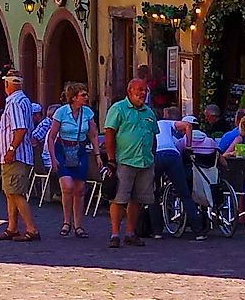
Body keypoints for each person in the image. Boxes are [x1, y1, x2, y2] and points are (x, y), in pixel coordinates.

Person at [101, 74, 159, 249]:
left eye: (145, 90)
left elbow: (153, 136)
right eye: (140, 90)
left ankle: (130, 232)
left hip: (145, 161)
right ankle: (114, 233)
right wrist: (111, 160)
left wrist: (152, 156)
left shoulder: (149, 112)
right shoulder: (118, 109)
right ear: (130, 91)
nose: (143, 93)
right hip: (124, 160)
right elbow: (109, 133)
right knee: (119, 198)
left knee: (138, 199)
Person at [43, 82, 97, 239]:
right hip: (63, 149)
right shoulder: (61, 112)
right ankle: (66, 221)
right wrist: (53, 158)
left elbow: (93, 134)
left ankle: (78, 225)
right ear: (74, 98)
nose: (86, 97)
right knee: (67, 186)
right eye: (83, 95)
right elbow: (52, 136)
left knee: (80, 190)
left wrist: (97, 154)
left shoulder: (87, 113)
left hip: (79, 149)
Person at [0, 75, 44, 242]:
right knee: (10, 192)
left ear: (8, 84)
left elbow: (20, 129)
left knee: (16, 192)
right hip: (16, 156)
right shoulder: (22, 100)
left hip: (16, 156)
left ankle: (31, 229)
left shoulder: (15, 102)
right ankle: (12, 227)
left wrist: (11, 149)